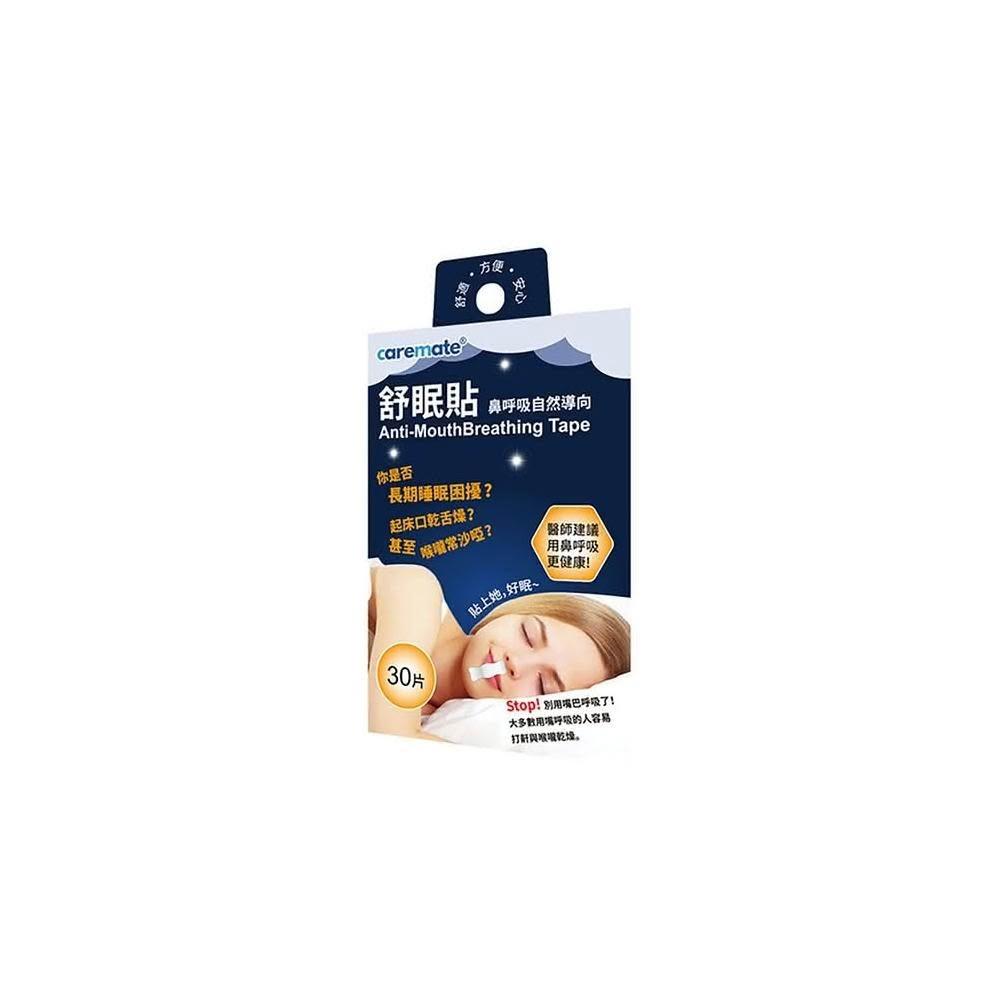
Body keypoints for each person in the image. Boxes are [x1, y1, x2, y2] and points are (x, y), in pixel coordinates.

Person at [368, 564, 629, 739]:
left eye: (544, 686)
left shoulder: (438, 722)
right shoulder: (417, 590)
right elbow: (390, 736)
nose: (516, 663)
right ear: (516, 612)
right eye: (528, 634)